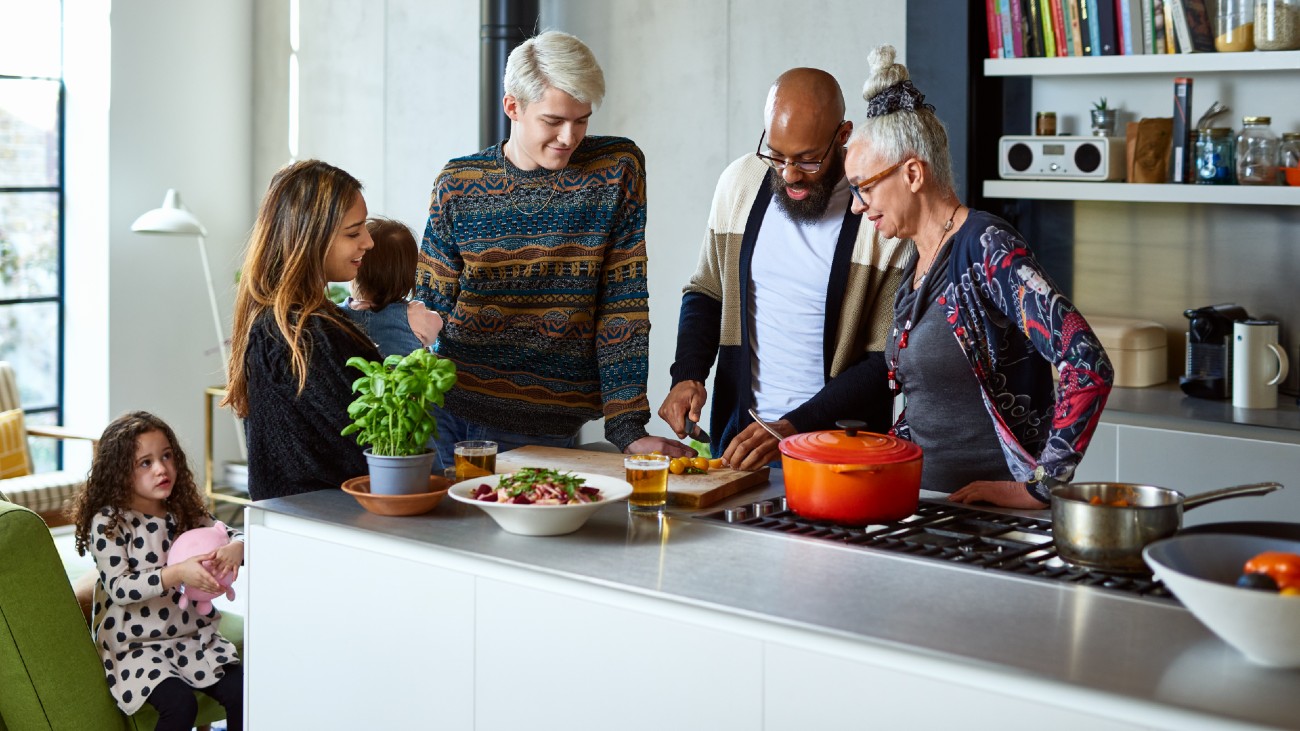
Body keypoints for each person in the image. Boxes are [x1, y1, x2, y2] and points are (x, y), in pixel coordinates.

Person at [843, 45, 1113, 508]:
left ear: (912, 174)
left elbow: (1086, 362)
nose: (856, 206)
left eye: (863, 188)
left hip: (989, 523)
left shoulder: (989, 247)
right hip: (929, 509)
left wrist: (1040, 487)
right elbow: (934, 402)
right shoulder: (917, 262)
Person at [415, 30, 691, 466]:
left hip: (551, 424)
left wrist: (626, 427)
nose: (569, 136)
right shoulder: (458, 183)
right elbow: (429, 304)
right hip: (450, 411)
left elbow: (623, 303)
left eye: (582, 119)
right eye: (553, 120)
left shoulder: (615, 170)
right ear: (513, 107)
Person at [659, 68, 909, 471]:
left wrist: (794, 427)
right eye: (777, 155)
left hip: (840, 454)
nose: (790, 174)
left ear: (843, 136)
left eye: (809, 160)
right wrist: (688, 375)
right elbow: (707, 289)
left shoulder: (881, 215)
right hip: (742, 445)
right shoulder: (740, 182)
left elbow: (888, 359)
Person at [68, 411, 244, 730]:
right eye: (145, 463)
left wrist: (238, 546)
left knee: (243, 693)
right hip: (135, 645)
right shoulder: (109, 524)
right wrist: (176, 574)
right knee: (179, 706)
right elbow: (120, 588)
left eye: (166, 456)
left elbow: (230, 533)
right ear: (119, 472)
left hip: (191, 634)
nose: (161, 469)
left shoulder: (184, 509)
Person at [224, 159, 382, 500]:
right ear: (310, 238)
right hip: (327, 527)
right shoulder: (305, 333)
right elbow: (372, 445)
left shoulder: (278, 321)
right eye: (353, 232)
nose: (368, 242)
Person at [340, 217, 444, 358]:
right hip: (405, 379)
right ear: (409, 276)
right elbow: (437, 323)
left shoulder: (336, 314)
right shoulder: (414, 315)